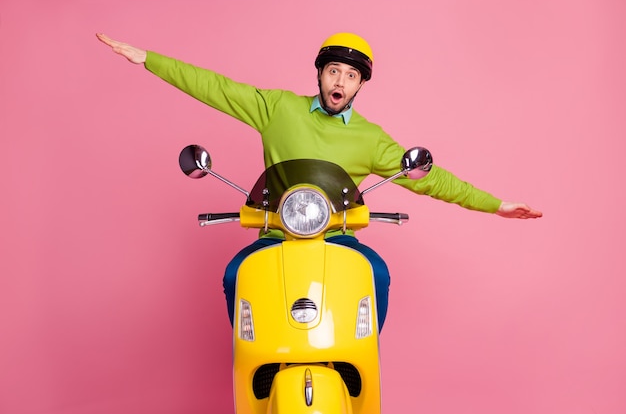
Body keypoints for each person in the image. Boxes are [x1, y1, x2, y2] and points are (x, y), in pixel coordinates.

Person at [96, 32, 542, 330]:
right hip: (276, 233)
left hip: (337, 239)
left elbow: (429, 179)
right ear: (320, 74)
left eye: (351, 76)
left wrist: (495, 204)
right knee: (236, 273)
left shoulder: (370, 138)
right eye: (334, 71)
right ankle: (252, 351)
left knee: (377, 274)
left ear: (359, 86)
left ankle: (361, 354)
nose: (340, 82)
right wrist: (148, 60)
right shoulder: (279, 108)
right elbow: (216, 87)